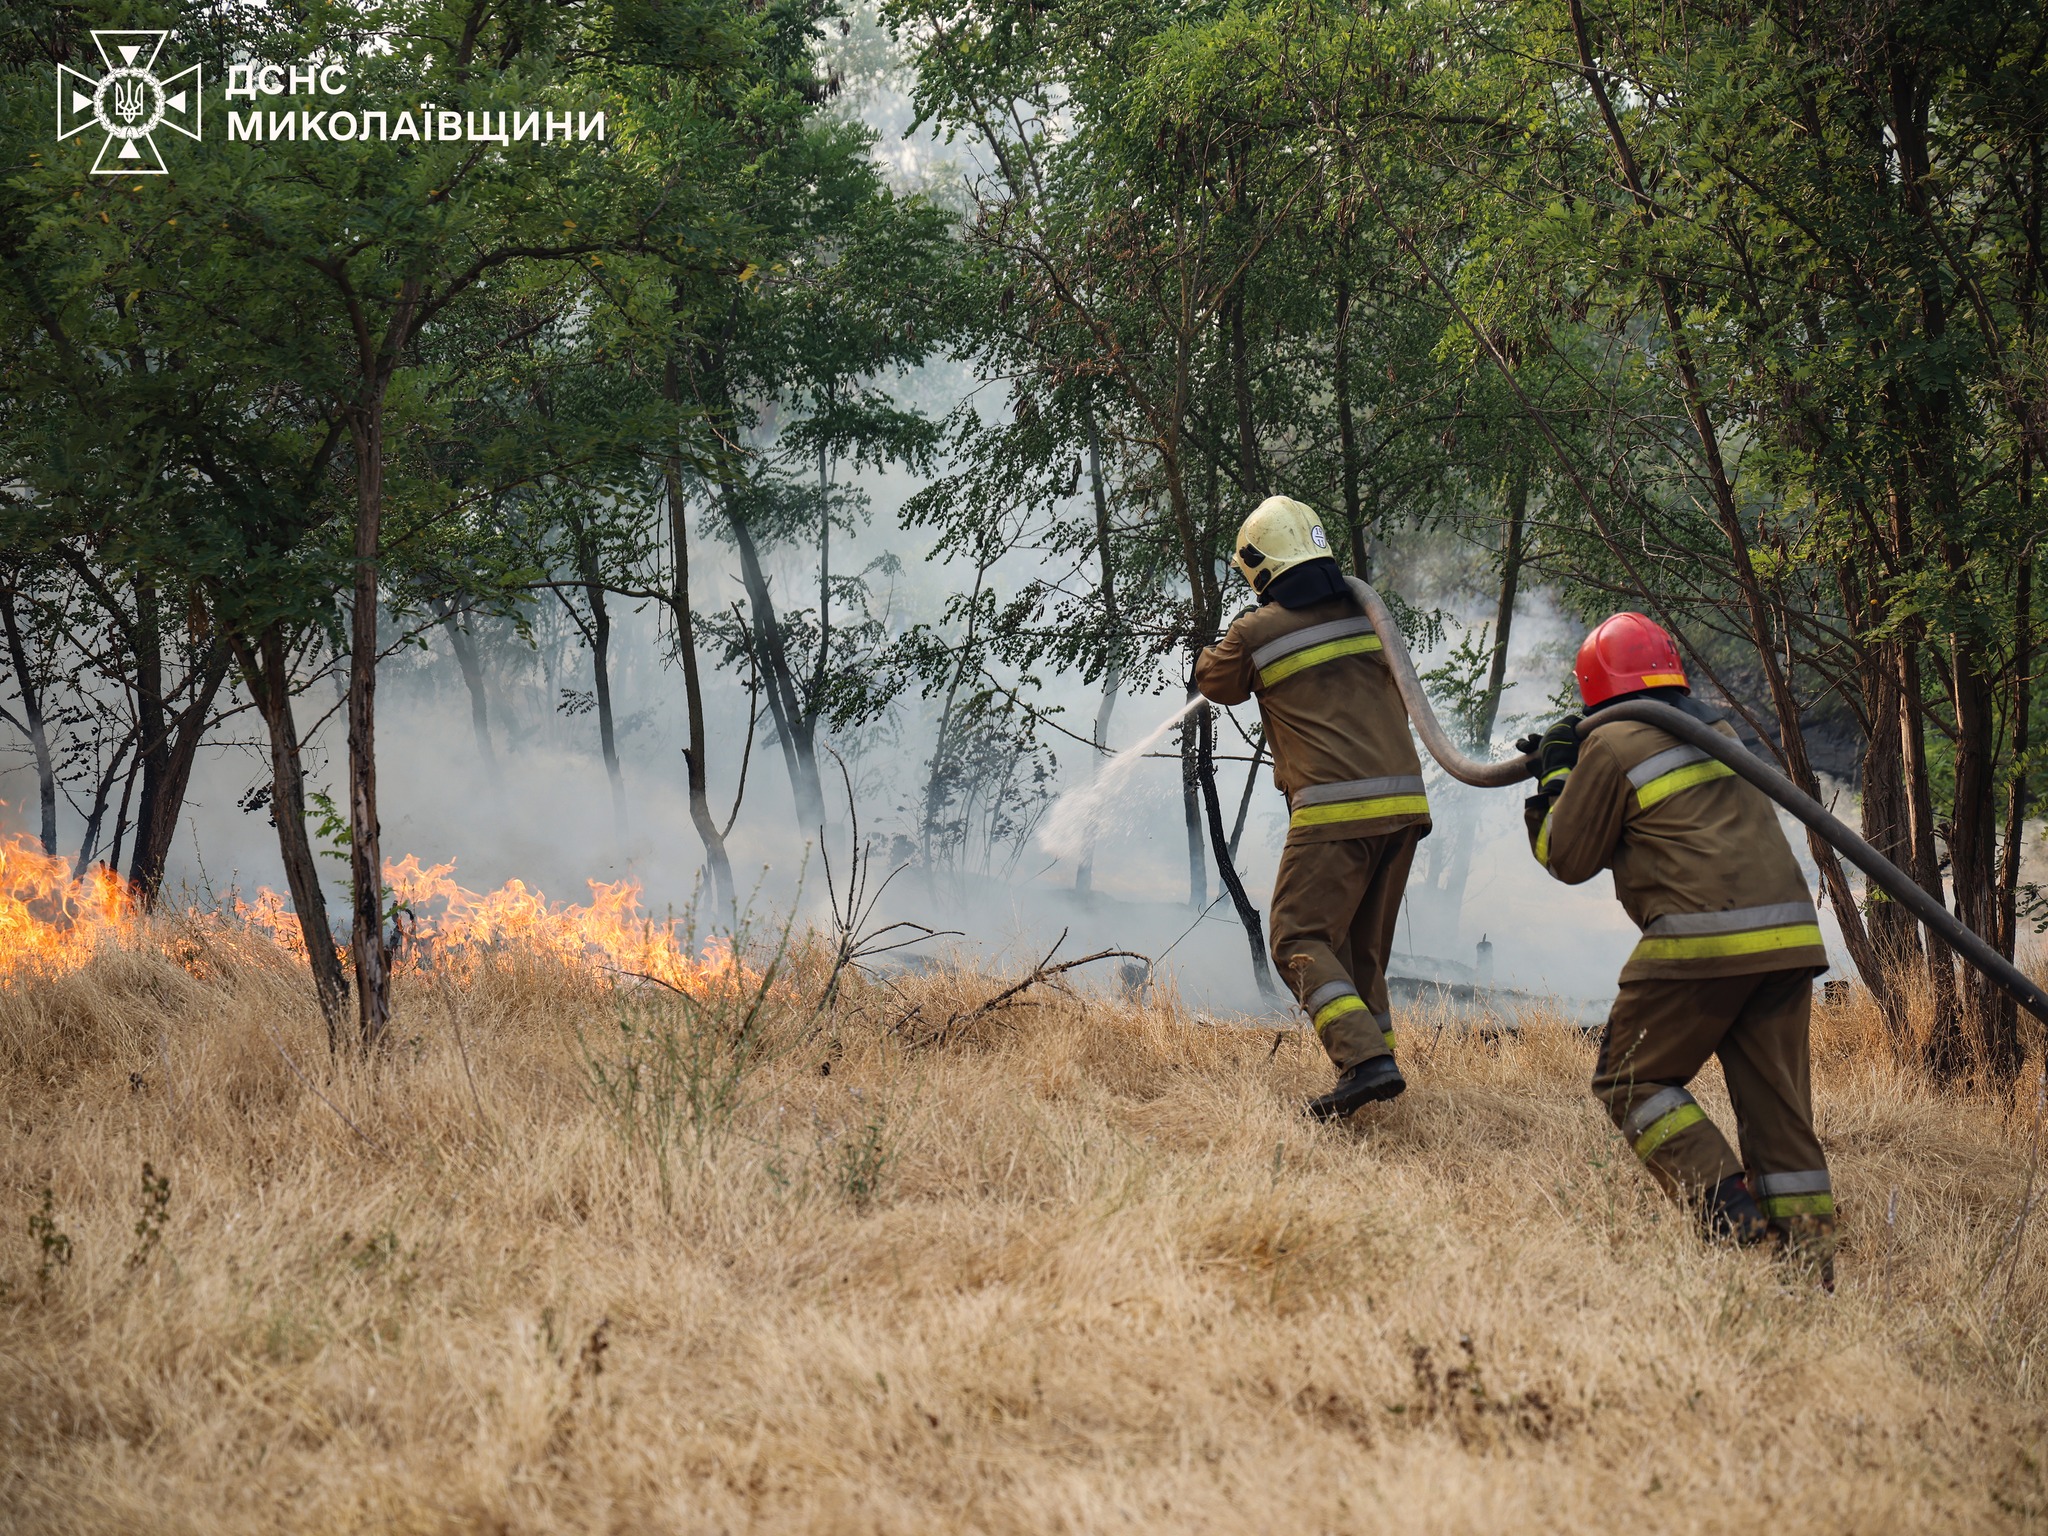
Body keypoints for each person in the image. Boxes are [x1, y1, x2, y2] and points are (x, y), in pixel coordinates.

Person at [1522, 612, 1836, 1282]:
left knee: (1629, 1078)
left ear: (1592, 688)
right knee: (1779, 1112)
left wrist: (1554, 777)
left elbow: (1566, 856)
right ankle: (1809, 1270)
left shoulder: (1611, 745)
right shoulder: (1718, 731)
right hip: (1788, 939)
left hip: (1703, 940)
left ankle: (1724, 1205)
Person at [1195, 496, 1430, 1120]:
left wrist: (1229, 633)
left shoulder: (1257, 630)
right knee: (1360, 953)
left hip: (1334, 809)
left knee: (1297, 935)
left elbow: (1215, 682)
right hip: (1405, 803)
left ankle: (1366, 1062)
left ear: (1260, 565)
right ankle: (1376, 1067)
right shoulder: (1366, 610)